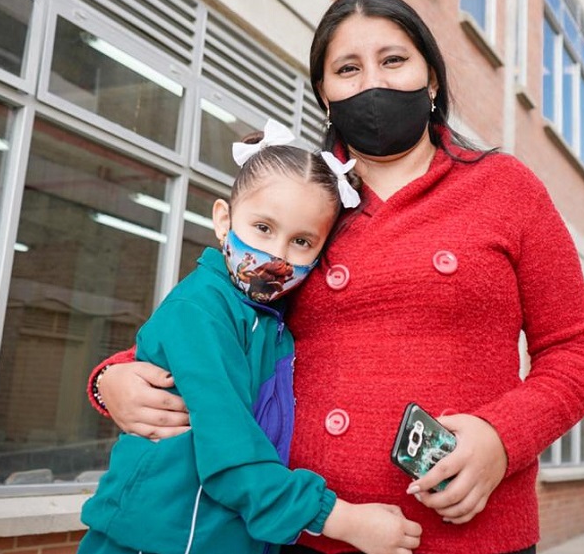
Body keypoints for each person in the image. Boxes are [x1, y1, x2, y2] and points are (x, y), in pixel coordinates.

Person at [89, 0, 584, 554]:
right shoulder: (305, 205)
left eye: (393, 60)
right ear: (325, 95)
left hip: (472, 536)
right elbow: (223, 315)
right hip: (308, 536)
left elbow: (576, 352)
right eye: (347, 69)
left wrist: (502, 440)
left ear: (430, 78)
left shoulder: (506, 188)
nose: (372, 84)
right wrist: (112, 378)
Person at [78, 120, 423, 554]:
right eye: (263, 228)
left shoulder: (269, 319)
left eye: (301, 241)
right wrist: (340, 518)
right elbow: (230, 453)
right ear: (223, 220)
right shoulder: (200, 310)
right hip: (158, 541)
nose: (277, 256)